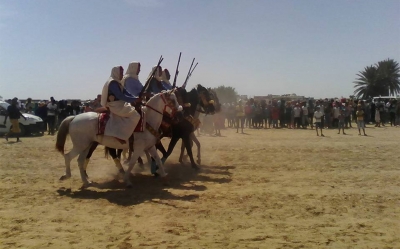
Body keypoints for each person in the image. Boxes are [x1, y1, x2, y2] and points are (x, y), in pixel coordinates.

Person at [101, 65, 141, 143]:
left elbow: (126, 92)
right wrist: (135, 99)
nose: (122, 75)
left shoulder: (118, 83)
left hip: (120, 104)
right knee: (136, 115)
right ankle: (123, 135)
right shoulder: (112, 83)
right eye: (121, 73)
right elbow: (120, 96)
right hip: (115, 105)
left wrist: (135, 98)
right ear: (116, 73)